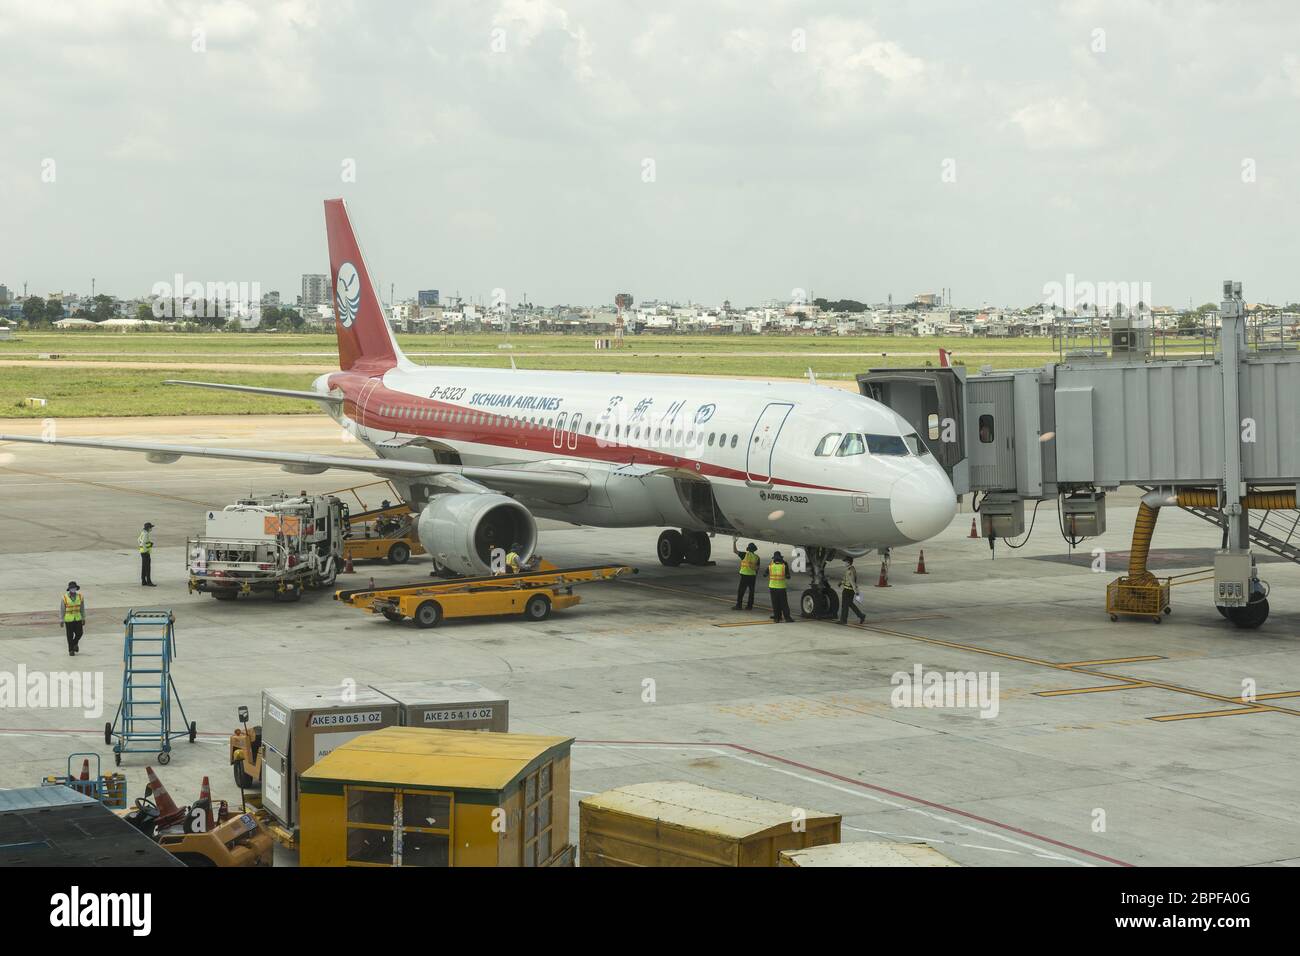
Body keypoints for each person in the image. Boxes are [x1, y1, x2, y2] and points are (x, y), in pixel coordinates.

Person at [766, 551, 794, 623]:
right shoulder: (784, 565)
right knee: (784, 603)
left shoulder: (771, 565)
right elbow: (788, 576)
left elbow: (765, 574)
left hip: (772, 587)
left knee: (775, 603)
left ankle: (777, 618)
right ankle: (787, 618)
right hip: (781, 587)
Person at [838, 557, 866, 625]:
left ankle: (843, 620)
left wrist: (856, 591)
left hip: (847, 590)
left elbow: (852, 581)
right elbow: (846, 579)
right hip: (850, 590)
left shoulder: (849, 571)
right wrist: (841, 582)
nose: (844, 563)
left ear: (848, 562)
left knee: (845, 606)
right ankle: (861, 615)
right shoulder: (852, 569)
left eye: (845, 562)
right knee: (850, 604)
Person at [732, 542, 759, 610]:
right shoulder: (757, 557)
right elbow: (757, 568)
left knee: (741, 591)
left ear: (748, 549)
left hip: (744, 576)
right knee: (751, 592)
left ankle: (739, 605)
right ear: (754, 550)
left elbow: (735, 551)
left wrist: (734, 542)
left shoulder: (744, 554)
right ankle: (749, 606)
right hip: (752, 576)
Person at [61, 582, 85, 656]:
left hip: (77, 618)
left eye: (74, 588)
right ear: (69, 589)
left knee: (80, 633)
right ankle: (71, 650)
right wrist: (61, 620)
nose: (73, 589)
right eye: (72, 588)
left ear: (76, 588)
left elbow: (82, 608)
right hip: (68, 619)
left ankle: (74, 644)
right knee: (69, 635)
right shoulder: (64, 598)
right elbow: (62, 609)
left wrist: (83, 618)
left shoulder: (80, 596)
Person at [138, 522, 156, 587]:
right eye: (151, 527)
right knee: (148, 567)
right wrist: (148, 547)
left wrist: (143, 546)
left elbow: (138, 540)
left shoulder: (143, 533)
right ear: (148, 528)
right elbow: (143, 543)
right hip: (145, 553)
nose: (151, 528)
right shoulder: (146, 534)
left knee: (144, 567)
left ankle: (143, 581)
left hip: (142, 552)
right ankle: (149, 581)